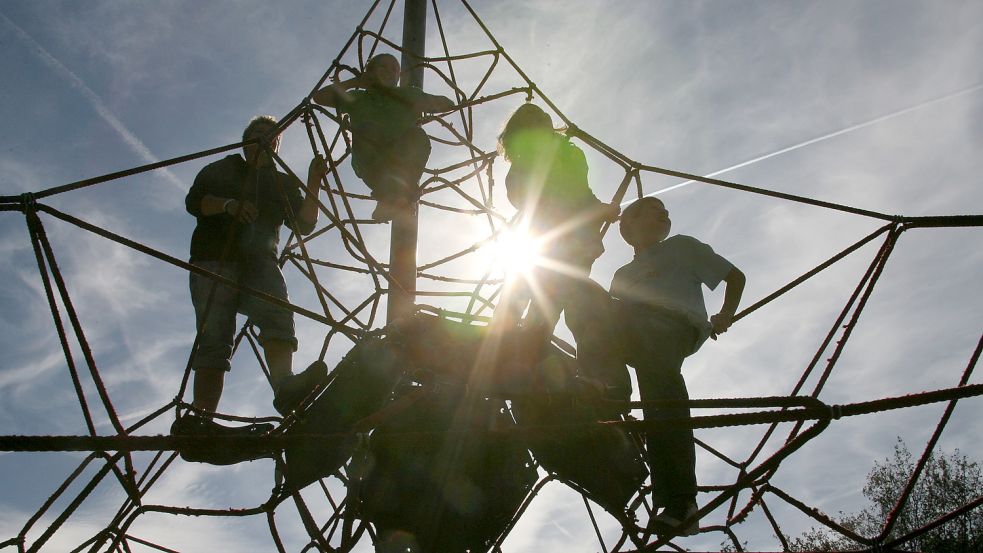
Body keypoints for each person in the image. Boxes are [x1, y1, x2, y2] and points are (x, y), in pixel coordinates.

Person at [175, 115, 329, 437]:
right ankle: (201, 419)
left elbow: (304, 224)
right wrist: (228, 205)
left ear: (276, 146)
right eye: (256, 134)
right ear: (245, 142)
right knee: (215, 337)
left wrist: (314, 180)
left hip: (259, 260)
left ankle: (285, 387)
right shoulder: (221, 170)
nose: (262, 138)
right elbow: (194, 201)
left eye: (270, 135)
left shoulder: (282, 182)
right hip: (214, 258)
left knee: (277, 313)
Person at [610, 196, 746, 536]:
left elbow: (735, 277)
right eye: (655, 210)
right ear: (630, 224)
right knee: (657, 404)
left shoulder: (681, 247)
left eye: (666, 211)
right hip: (636, 333)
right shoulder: (622, 274)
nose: (665, 214)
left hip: (674, 327)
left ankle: (682, 501)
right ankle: (605, 387)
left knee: (662, 396)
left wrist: (725, 314)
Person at [493, 103, 619, 355]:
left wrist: (600, 208)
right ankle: (499, 342)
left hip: (572, 240)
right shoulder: (524, 160)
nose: (540, 121)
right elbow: (520, 195)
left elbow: (582, 192)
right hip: (543, 236)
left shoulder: (570, 153)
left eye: (542, 116)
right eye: (532, 119)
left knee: (548, 301)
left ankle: (528, 348)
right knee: (521, 290)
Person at [312, 53, 454, 221]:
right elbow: (319, 97)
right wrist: (356, 82)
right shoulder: (358, 98)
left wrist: (415, 99)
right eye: (383, 67)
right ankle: (389, 195)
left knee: (417, 135)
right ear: (370, 72)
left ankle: (399, 196)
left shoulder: (407, 94)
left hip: (403, 165)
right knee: (368, 129)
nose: (389, 71)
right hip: (373, 164)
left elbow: (448, 104)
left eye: (394, 69)